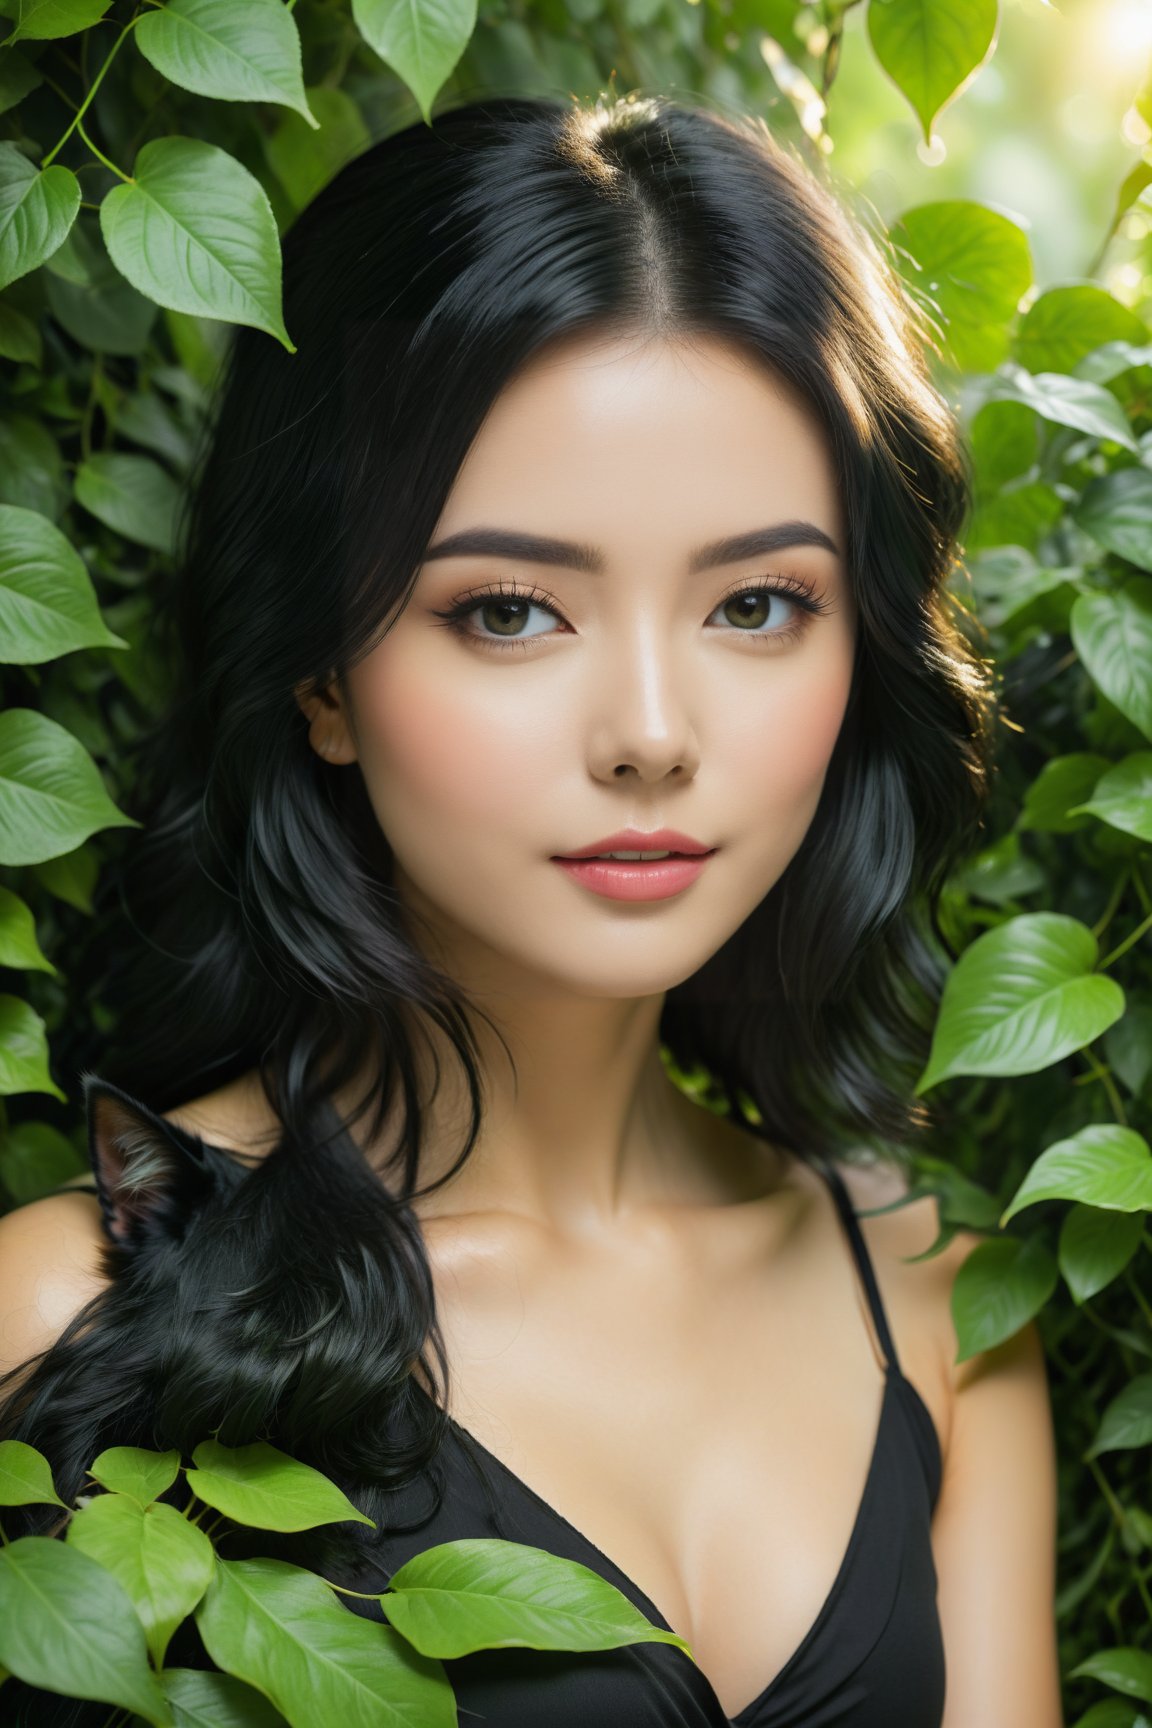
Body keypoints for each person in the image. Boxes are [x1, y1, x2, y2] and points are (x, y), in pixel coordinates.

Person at [0, 92, 1061, 1726]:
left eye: (759, 604)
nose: (650, 729)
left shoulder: (938, 1296)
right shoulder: (53, 1308)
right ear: (317, 673)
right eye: (509, 610)